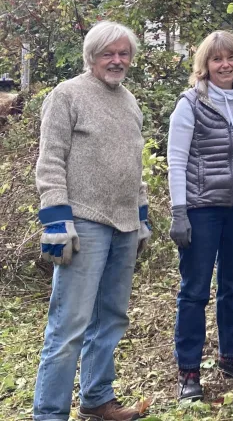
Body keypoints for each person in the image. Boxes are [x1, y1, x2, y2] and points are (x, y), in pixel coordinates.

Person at [33, 21, 150, 421]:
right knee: (69, 327)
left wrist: (142, 216)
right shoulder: (66, 95)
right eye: (108, 53)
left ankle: (98, 399)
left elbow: (135, 165)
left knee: (112, 318)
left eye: (123, 53)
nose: (117, 60)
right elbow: (49, 162)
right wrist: (55, 221)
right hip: (82, 224)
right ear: (91, 57)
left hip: (124, 225)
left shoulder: (130, 101)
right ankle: (49, 414)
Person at [167, 30, 233, 401]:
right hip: (202, 209)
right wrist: (178, 212)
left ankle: (232, 355)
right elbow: (177, 161)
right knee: (195, 291)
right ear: (205, 65)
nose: (225, 64)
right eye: (217, 59)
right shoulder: (190, 103)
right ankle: (188, 372)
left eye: (231, 58)